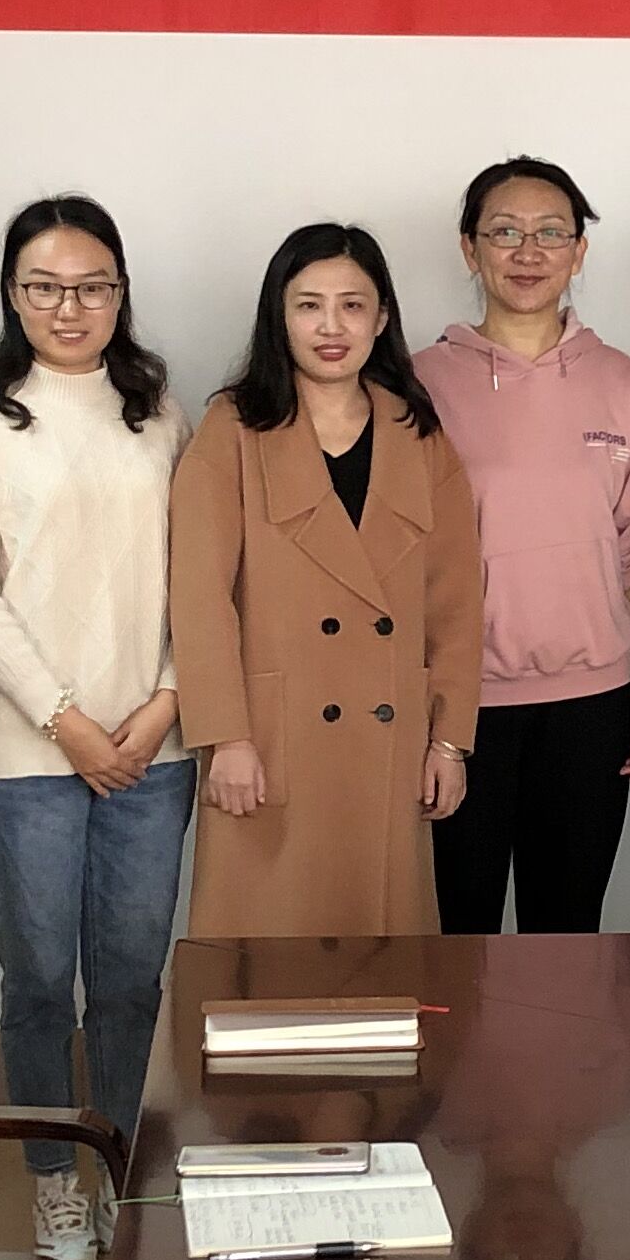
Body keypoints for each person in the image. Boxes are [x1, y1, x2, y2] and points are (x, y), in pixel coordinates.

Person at [0, 196, 191, 1260]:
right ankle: (54, 1187)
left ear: (121, 293)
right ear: (13, 294)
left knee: (131, 981)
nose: (69, 307)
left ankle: (126, 1174)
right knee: (40, 981)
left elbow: (201, 576)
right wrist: (68, 721)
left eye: (92, 287)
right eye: (44, 287)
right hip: (25, 753)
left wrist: (166, 703)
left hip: (153, 749)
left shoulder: (159, 411)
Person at [171, 225, 481, 937]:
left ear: (381, 317)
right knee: (267, 962)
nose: (332, 327)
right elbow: (200, 598)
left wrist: (449, 742)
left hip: (390, 746)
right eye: (309, 305)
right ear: (279, 318)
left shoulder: (419, 433)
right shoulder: (233, 429)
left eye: (352, 305)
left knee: (382, 965)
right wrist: (225, 737)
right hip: (270, 745)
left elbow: (457, 604)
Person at [415, 159, 630, 933]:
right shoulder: (417, 384)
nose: (528, 252)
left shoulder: (617, 379)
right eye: (505, 232)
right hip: (460, 708)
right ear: (470, 249)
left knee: (568, 934)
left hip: (591, 707)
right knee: (461, 935)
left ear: (579, 252)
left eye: (551, 233)